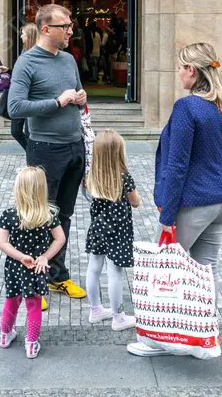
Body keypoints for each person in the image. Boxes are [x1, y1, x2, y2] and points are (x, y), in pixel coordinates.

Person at [129, 42, 222, 358]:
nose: (178, 73)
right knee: (206, 272)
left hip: (193, 203)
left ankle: (157, 340)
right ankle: (205, 338)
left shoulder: (187, 107)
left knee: (165, 271)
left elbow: (177, 165)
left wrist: (167, 213)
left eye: (180, 67)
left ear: (192, 71)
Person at [7, 3, 88, 301]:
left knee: (63, 215)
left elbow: (78, 95)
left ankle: (57, 275)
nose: (70, 31)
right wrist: (57, 102)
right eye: (64, 27)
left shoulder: (68, 60)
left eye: (70, 26)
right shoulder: (27, 63)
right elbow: (16, 107)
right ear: (45, 29)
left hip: (74, 146)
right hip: (45, 149)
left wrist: (80, 97)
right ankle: (33, 283)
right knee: (39, 216)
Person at [0, 166, 66, 359]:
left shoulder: (9, 214)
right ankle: (32, 343)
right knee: (33, 305)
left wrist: (19, 256)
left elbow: (1, 242)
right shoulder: (48, 214)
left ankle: (5, 335)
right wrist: (45, 257)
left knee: (12, 300)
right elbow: (60, 239)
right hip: (37, 267)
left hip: (15, 267)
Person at [85, 129, 140, 331]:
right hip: (118, 231)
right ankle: (118, 317)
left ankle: (96, 309)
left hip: (98, 228)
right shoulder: (124, 177)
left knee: (94, 268)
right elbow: (136, 202)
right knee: (115, 272)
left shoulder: (93, 176)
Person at [5, 23, 39, 151]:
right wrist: (8, 71)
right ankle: (31, 153)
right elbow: (22, 74)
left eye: (23, 33)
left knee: (30, 133)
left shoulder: (37, 53)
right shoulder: (24, 51)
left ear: (30, 35)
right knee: (15, 131)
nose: (20, 36)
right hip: (20, 97)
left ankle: (33, 160)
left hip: (32, 99)